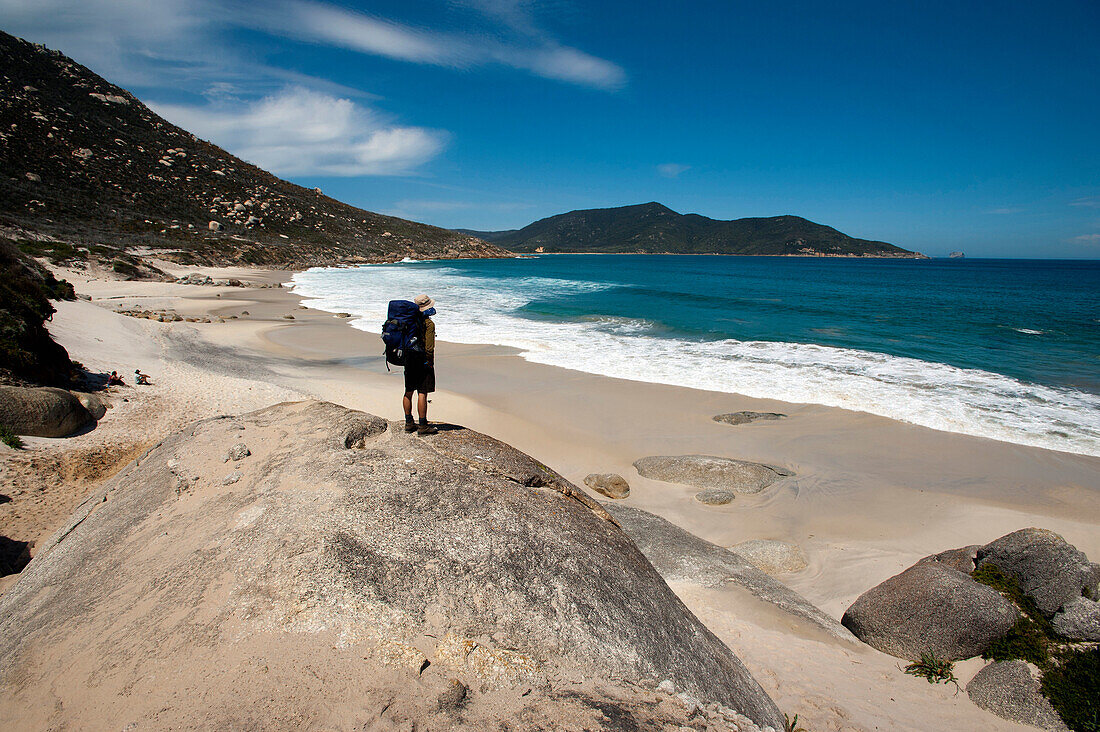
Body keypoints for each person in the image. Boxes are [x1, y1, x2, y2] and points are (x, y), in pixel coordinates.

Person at [403, 294, 437, 435]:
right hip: (422, 362)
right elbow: (429, 348)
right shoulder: (428, 324)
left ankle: (409, 422)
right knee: (422, 392)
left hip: (409, 359)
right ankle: (423, 425)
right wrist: (429, 363)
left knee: (408, 391)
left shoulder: (409, 321)